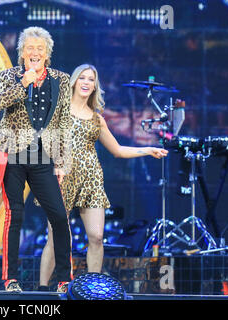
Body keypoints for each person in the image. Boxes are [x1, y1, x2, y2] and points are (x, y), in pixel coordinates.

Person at [38, 64, 168, 290]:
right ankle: (40, 290)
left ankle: (92, 287)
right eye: (83, 78)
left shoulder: (97, 119)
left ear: (95, 87)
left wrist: (147, 150)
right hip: (62, 177)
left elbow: (117, 150)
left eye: (91, 80)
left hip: (92, 178)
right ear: (75, 82)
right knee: (56, 237)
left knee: (97, 236)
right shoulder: (58, 110)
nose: (87, 82)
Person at [0, 26, 73, 293]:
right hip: (13, 156)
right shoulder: (9, 76)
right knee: (15, 216)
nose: (34, 52)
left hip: (44, 156)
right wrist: (22, 84)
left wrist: (62, 160)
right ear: (21, 53)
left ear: (47, 54)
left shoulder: (62, 80)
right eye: (29, 48)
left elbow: (65, 122)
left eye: (39, 48)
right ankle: (11, 280)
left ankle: (64, 279)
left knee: (58, 216)